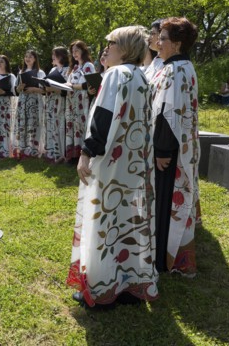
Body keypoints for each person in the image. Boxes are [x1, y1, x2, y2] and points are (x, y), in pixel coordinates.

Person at [68, 26, 158, 308]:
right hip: (134, 164)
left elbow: (104, 117)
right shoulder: (142, 76)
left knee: (105, 221)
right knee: (128, 221)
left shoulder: (116, 74)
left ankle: (101, 288)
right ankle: (130, 286)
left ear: (126, 47)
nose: (106, 49)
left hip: (112, 162)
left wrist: (86, 152)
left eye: (112, 43)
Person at [150, 16, 200, 277]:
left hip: (170, 152)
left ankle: (162, 259)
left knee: (166, 203)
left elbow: (168, 114)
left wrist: (162, 151)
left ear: (177, 44)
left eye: (163, 38)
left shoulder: (175, 70)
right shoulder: (182, 66)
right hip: (179, 148)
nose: (158, 41)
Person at [65, 40, 95, 163]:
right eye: (72, 51)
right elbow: (69, 82)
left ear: (83, 50)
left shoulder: (88, 66)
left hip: (83, 101)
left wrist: (72, 86)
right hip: (72, 101)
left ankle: (83, 155)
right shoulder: (75, 68)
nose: (74, 53)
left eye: (77, 50)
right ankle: (73, 155)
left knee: (82, 126)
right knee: (73, 127)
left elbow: (87, 84)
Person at [13, 50, 46, 159]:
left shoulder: (40, 72)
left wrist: (34, 88)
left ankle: (34, 149)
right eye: (26, 56)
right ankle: (24, 149)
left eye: (30, 57)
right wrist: (19, 88)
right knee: (23, 124)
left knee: (34, 123)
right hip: (23, 101)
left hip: (35, 101)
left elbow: (44, 90)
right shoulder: (20, 73)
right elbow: (16, 90)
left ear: (35, 59)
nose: (27, 58)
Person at [42, 47, 69, 163]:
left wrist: (52, 88)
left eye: (55, 54)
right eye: (52, 54)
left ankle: (62, 154)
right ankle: (52, 151)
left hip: (61, 102)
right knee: (51, 126)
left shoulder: (68, 70)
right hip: (50, 101)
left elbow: (66, 89)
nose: (53, 57)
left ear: (62, 56)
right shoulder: (53, 70)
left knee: (60, 126)